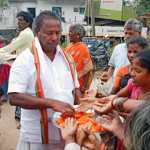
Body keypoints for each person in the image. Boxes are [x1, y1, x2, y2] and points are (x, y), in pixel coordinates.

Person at [8, 10, 81, 150]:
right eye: (49, 33)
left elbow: (75, 89)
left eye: (58, 33)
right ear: (37, 33)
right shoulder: (25, 59)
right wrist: (51, 103)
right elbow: (14, 97)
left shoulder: (67, 58)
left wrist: (84, 103)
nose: (54, 38)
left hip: (65, 133)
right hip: (36, 137)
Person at [65, 24, 93, 93]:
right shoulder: (69, 47)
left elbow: (88, 69)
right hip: (68, 84)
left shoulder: (83, 48)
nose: (69, 34)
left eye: (71, 32)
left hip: (79, 86)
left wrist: (84, 87)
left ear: (78, 35)